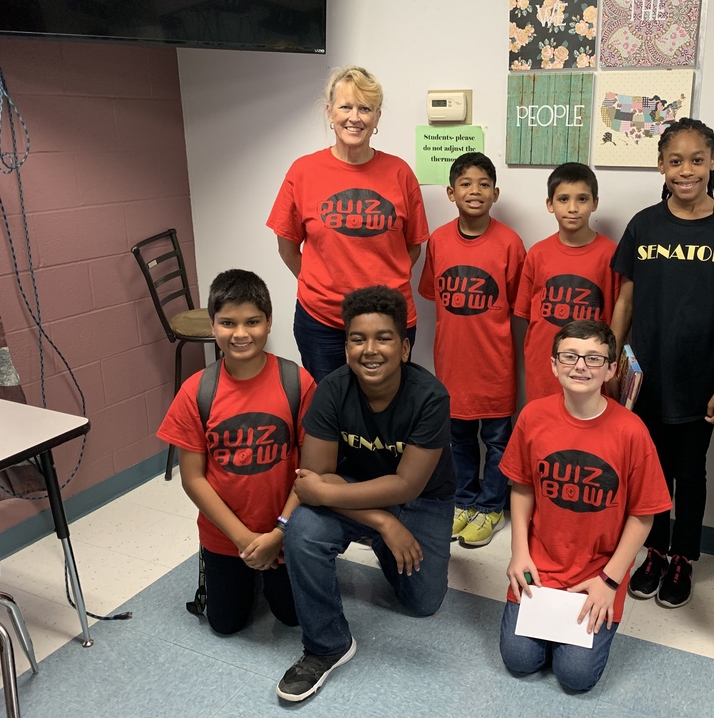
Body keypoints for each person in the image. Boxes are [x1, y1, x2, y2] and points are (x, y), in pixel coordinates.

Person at [611, 117, 714, 608]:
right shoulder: (644, 224)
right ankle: (654, 550)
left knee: (690, 470)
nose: (686, 170)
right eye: (675, 161)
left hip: (700, 380)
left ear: (713, 161)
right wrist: (612, 362)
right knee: (650, 471)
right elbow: (625, 300)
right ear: (661, 165)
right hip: (645, 377)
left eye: (697, 160)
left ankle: (684, 557)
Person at [276, 285, 455, 703]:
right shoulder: (332, 390)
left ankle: (385, 544)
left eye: (383, 338)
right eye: (358, 339)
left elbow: (407, 484)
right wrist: (382, 521)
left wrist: (384, 514)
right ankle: (327, 644)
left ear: (405, 348)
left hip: (423, 499)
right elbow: (312, 481)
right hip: (355, 496)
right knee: (301, 529)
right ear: (346, 346)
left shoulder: (430, 397)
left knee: (423, 602)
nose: (369, 350)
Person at [498, 320, 670, 691]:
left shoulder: (631, 431)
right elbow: (522, 487)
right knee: (520, 661)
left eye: (594, 358)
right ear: (554, 365)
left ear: (610, 370)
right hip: (539, 566)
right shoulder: (532, 417)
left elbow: (644, 513)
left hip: (598, 571)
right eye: (570, 356)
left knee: (575, 677)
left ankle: (572, 636)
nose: (581, 366)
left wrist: (610, 580)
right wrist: (519, 552)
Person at [156, 270, 316, 636]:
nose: (240, 334)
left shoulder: (297, 381)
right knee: (225, 625)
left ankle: (269, 568)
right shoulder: (197, 391)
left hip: (284, 530)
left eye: (252, 322)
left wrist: (279, 532)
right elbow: (193, 479)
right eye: (228, 322)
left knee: (292, 617)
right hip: (225, 537)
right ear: (212, 325)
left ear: (269, 322)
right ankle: (241, 570)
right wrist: (244, 540)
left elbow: (311, 470)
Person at [266, 66, 429, 382]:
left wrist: (382, 278)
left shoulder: (401, 173)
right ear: (330, 112)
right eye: (346, 106)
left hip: (390, 319)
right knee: (331, 412)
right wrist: (321, 281)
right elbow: (287, 245)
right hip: (322, 322)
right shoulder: (303, 172)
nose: (355, 117)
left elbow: (413, 246)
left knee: (389, 410)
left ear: (377, 117)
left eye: (365, 109)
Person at [418, 152, 526, 547]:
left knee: (498, 443)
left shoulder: (511, 244)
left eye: (483, 184)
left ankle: (490, 507)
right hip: (452, 367)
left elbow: (519, 305)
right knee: (458, 439)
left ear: (495, 193)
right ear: (450, 192)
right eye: (465, 183)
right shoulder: (438, 241)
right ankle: (464, 500)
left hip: (495, 367)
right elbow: (432, 294)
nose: (475, 191)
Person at [515, 162, 620, 403]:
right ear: (550, 204)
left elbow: (617, 319)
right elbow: (527, 315)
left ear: (595, 202)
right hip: (544, 370)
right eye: (563, 199)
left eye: (582, 199)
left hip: (592, 371)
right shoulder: (537, 253)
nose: (572, 208)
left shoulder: (611, 255)